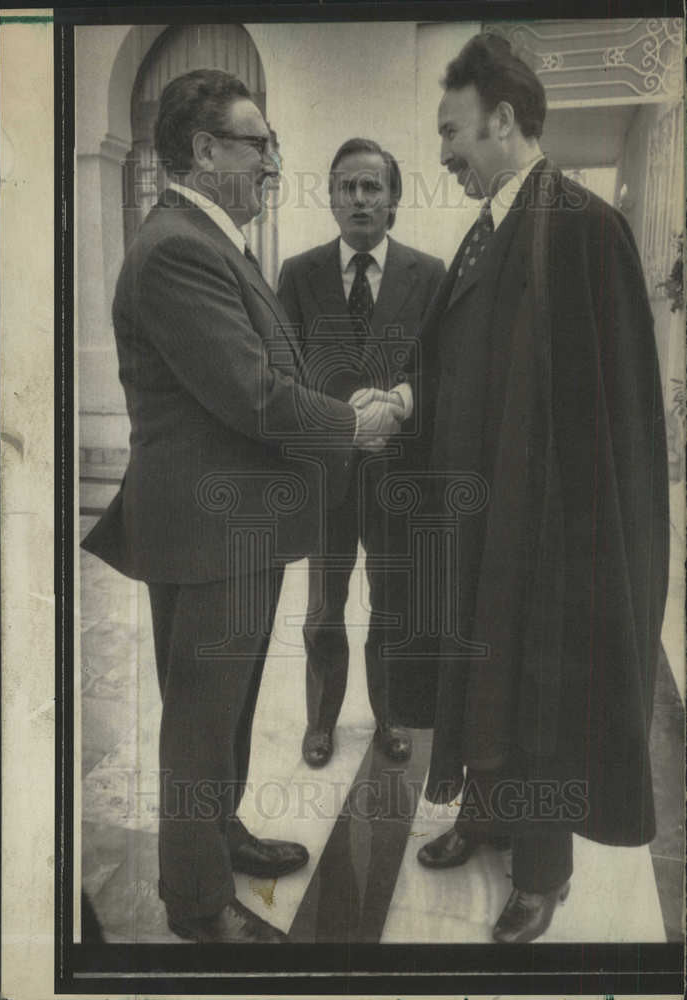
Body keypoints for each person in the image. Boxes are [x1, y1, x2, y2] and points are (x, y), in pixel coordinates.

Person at [81, 70, 402, 944]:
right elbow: (255, 396)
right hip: (207, 532)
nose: (272, 160)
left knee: (224, 704)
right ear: (204, 150)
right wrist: (353, 423)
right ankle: (193, 905)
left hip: (234, 529)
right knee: (198, 722)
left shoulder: (206, 239)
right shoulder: (179, 248)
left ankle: (219, 838)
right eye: (257, 143)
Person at [416, 34, 669, 943]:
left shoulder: (581, 226)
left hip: (549, 524)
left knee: (540, 682)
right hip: (485, 510)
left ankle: (541, 871)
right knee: (484, 671)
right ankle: (485, 813)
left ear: (504, 120)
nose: (443, 152)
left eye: (453, 132)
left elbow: (614, 407)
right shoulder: (491, 230)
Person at [278, 138, 445, 768]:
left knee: (392, 605)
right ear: (329, 197)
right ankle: (320, 721)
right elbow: (282, 372)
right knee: (324, 608)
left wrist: (401, 400)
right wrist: (338, 424)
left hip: (399, 477)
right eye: (347, 186)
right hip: (327, 475)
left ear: (395, 198)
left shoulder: (427, 276)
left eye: (372, 186)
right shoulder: (298, 273)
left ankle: (390, 716)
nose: (359, 199)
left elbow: (443, 372)